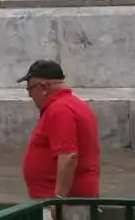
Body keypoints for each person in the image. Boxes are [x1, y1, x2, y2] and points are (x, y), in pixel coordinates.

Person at [19, 61, 100, 207]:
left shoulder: (60, 110)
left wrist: (58, 200)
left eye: (29, 89)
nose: (30, 95)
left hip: (65, 204)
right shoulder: (73, 104)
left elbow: (68, 155)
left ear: (43, 87)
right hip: (71, 200)